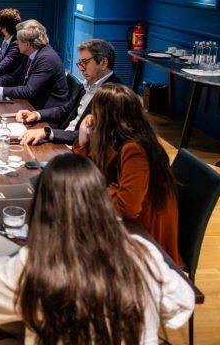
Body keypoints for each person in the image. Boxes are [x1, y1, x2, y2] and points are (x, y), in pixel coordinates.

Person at [0, 153, 194, 345]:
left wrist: (15, 254)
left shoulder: (34, 266)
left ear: (42, 207)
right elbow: (182, 304)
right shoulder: (144, 254)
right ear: (102, 201)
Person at [73, 83, 182, 265]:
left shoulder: (134, 150)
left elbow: (128, 208)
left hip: (145, 236)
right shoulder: (119, 140)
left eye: (96, 111)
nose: (92, 117)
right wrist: (84, 141)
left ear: (107, 118)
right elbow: (94, 177)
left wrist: (105, 192)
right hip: (132, 224)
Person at [19, 39, 121, 145]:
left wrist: (48, 133)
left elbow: (91, 135)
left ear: (103, 63)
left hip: (79, 150)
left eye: (85, 62)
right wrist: (37, 114)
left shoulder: (114, 94)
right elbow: (66, 109)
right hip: (64, 139)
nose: (82, 69)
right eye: (80, 63)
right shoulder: (88, 83)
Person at [0, 20, 69, 124]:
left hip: (46, 115)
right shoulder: (32, 52)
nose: (16, 43)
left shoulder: (47, 59)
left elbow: (28, 91)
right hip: (30, 106)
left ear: (27, 44)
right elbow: (16, 76)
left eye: (18, 40)